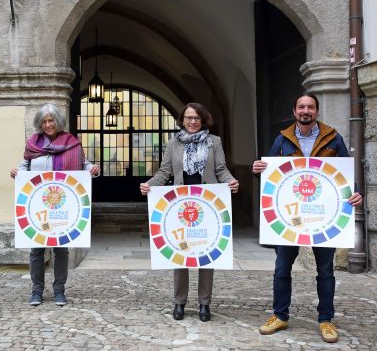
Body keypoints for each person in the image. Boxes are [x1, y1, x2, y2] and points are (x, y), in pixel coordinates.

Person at [253, 92, 363, 343]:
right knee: (281, 269)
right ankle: (280, 316)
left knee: (325, 271)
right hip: (289, 217)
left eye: (310, 107)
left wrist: (355, 192)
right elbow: (268, 173)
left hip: (323, 216)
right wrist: (257, 170)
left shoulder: (333, 139)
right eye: (301, 107)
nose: (306, 111)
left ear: (317, 111)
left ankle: (326, 320)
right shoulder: (282, 140)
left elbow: (344, 171)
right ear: (294, 112)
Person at [139, 102, 239, 322]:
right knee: (181, 252)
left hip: (208, 204)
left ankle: (205, 303)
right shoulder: (173, 143)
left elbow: (221, 169)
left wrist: (231, 181)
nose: (192, 122)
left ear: (203, 120)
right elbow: (165, 171)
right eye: (188, 118)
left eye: (196, 118)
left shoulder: (214, 142)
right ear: (182, 120)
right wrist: (150, 184)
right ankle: (179, 302)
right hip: (180, 205)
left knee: (206, 254)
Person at [10, 103, 100, 307]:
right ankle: (37, 291)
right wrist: (16, 172)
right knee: (36, 249)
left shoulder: (72, 142)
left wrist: (92, 168)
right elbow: (25, 165)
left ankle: (59, 290)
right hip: (39, 206)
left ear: (57, 121)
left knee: (61, 250)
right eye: (44, 121)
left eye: (51, 120)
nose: (48, 124)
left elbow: (83, 164)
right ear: (39, 123)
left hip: (63, 205)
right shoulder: (33, 143)